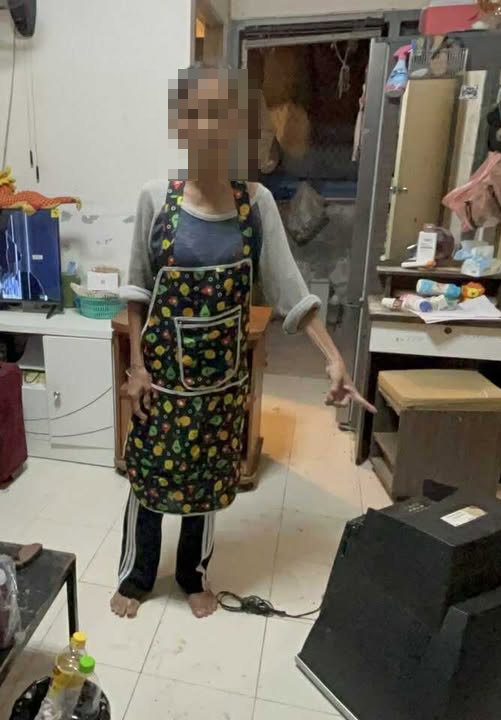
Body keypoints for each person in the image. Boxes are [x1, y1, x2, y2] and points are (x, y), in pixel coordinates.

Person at [113, 64, 373, 619]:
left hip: (221, 389)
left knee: (205, 485)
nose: (212, 127)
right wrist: (136, 367)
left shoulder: (256, 204)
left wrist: (334, 360)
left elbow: (291, 290)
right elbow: (136, 291)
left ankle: (192, 575)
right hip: (161, 383)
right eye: (199, 114)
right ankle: (137, 577)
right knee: (148, 481)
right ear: (182, 124)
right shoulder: (156, 199)